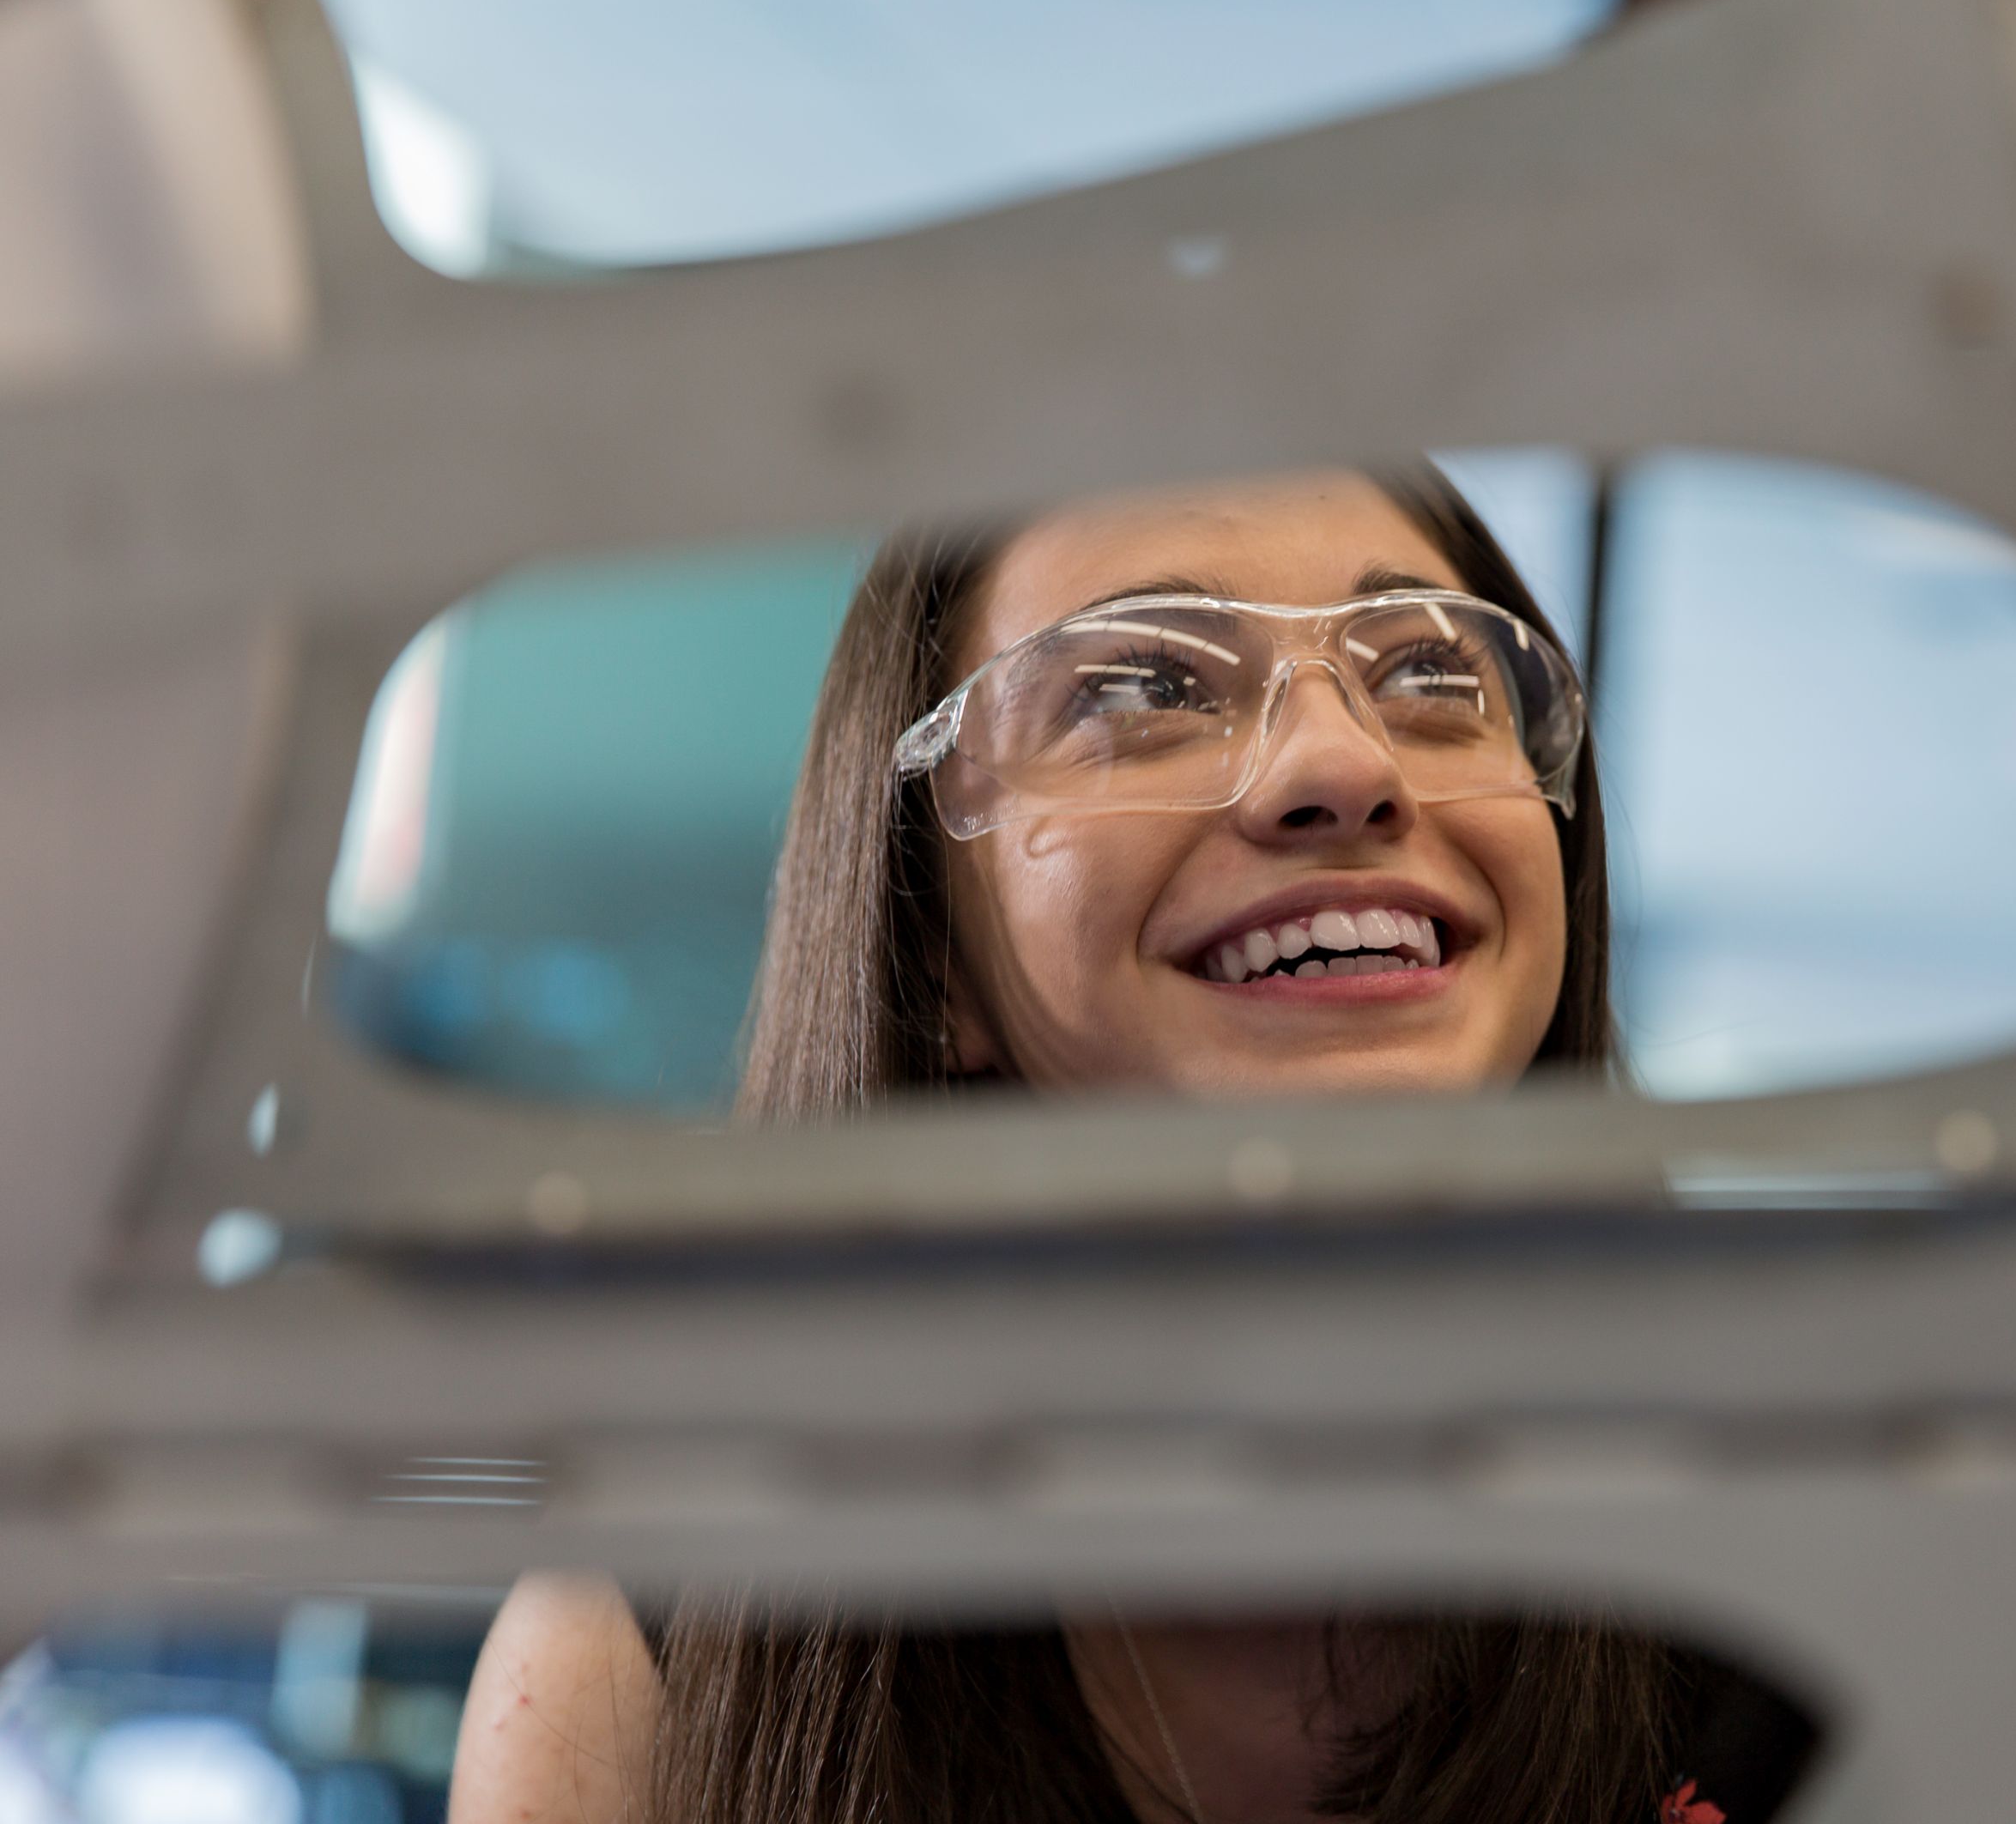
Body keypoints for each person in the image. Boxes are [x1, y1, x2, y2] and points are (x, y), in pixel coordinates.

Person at [447, 465, 1812, 1824]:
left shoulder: (1844, 1530)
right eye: (1141, 690)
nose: (1345, 766)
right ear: (932, 957)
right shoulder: (652, 1665)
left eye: (1429, 675)